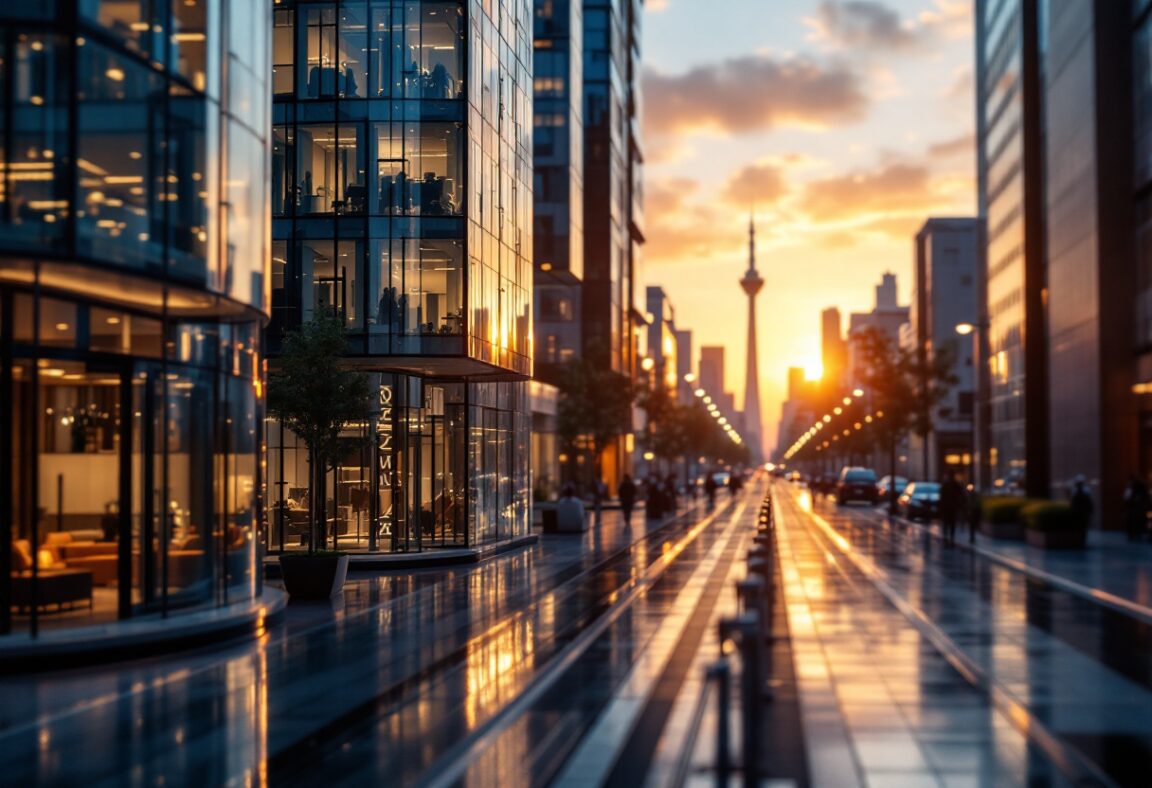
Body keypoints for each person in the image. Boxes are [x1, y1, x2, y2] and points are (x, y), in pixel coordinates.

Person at [939, 472, 965, 547]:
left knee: (948, 524)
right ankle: (949, 539)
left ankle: (948, 539)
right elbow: (961, 494)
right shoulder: (952, 485)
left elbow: (942, 497)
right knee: (950, 524)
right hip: (951, 508)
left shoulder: (948, 485)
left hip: (949, 508)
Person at [1124, 475, 1150, 542]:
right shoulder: (1135, 488)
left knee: (1135, 521)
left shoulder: (1136, 488)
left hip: (1136, 509)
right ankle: (1135, 534)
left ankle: (1135, 534)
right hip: (1135, 509)